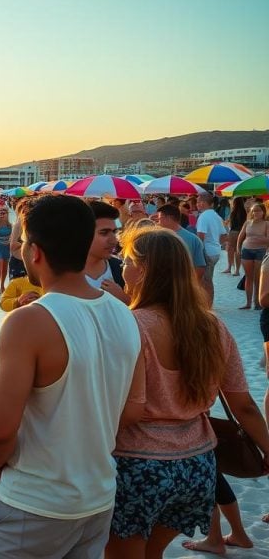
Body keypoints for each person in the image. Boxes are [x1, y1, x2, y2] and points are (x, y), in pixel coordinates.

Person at [0, 196, 142, 558]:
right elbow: (132, 409)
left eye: (23, 243)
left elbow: (0, 428)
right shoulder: (122, 312)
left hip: (37, 499)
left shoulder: (31, 320)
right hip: (97, 495)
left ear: (35, 251)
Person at [109, 226, 269, 558]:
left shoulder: (131, 325)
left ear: (145, 269)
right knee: (152, 553)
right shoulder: (212, 326)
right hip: (197, 467)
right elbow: (244, 404)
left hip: (138, 465)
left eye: (126, 261)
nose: (122, 269)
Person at [84, 201, 129, 304]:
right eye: (104, 233)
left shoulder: (121, 269)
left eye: (114, 232)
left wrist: (125, 300)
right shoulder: (62, 275)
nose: (114, 240)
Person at [153, 204, 206, 285]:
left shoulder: (157, 238)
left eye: (159, 219)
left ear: (168, 218)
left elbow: (199, 267)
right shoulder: (194, 239)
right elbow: (200, 267)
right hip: (166, 286)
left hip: (177, 286)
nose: (157, 223)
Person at [195, 193, 227, 304]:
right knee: (208, 279)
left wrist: (198, 252)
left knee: (205, 280)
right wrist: (216, 244)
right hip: (215, 251)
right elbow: (224, 235)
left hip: (206, 251)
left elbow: (200, 236)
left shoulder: (203, 216)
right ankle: (207, 303)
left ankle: (207, 304)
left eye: (198, 202)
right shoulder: (216, 215)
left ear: (202, 203)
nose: (196, 204)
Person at [235, 202, 269, 309]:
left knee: (258, 278)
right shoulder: (247, 223)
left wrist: (258, 238)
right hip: (247, 250)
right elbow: (240, 237)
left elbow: (268, 239)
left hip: (261, 251)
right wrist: (238, 248)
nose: (256, 213)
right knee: (248, 277)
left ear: (263, 212)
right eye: (254, 211)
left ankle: (258, 302)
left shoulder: (266, 224)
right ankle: (248, 303)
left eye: (259, 210)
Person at [224, 197, 247, 275]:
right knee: (238, 250)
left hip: (233, 232)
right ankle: (237, 270)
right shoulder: (245, 212)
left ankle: (229, 268)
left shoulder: (233, 212)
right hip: (242, 232)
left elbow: (228, 223)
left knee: (230, 250)